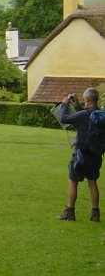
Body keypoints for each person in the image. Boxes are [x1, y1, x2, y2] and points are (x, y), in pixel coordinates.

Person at [56, 88, 101, 222]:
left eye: (83, 98)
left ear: (87, 99)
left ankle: (69, 212)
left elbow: (64, 118)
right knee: (92, 182)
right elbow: (85, 115)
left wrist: (64, 104)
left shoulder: (84, 115)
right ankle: (95, 213)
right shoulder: (100, 113)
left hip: (81, 154)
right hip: (96, 154)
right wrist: (76, 105)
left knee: (73, 180)